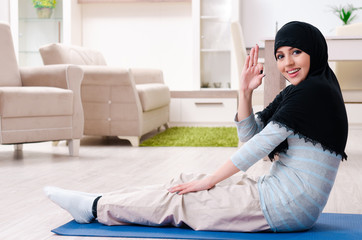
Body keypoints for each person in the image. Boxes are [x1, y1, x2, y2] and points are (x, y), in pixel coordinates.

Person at [44, 21, 348, 233]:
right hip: (279, 196)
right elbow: (250, 136)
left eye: (296, 52)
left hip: (284, 207)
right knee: (185, 181)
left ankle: (95, 207)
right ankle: (104, 200)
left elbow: (256, 148)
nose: (287, 63)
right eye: (280, 55)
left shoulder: (313, 93)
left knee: (184, 200)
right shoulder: (305, 89)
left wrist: (211, 180)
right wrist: (244, 93)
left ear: (314, 51)